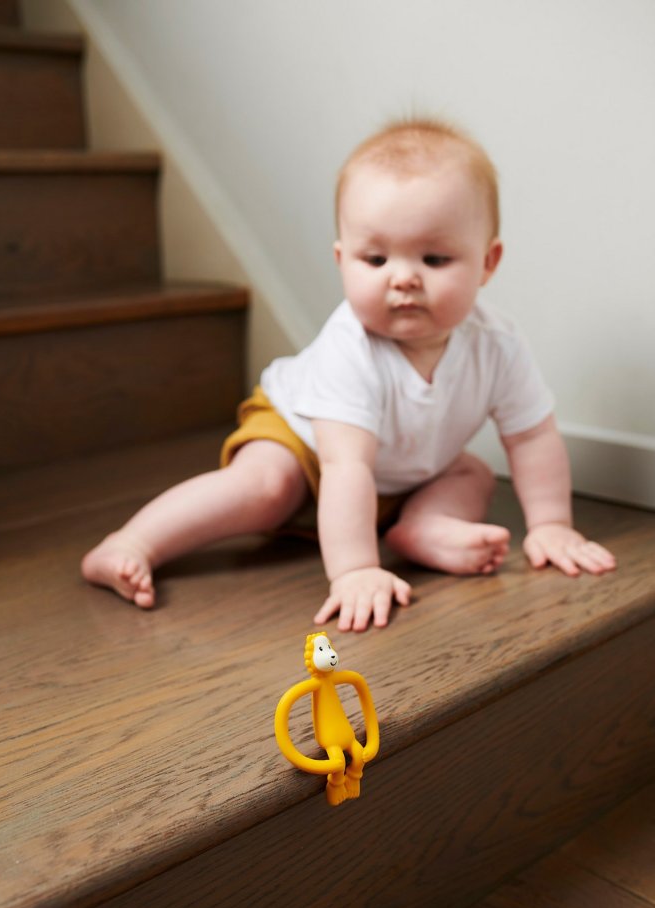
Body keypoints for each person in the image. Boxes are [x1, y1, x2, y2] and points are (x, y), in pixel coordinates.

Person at [82, 118, 616, 630]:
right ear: (342, 260)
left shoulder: (497, 344)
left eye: (433, 259)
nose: (403, 278)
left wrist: (551, 525)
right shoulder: (350, 349)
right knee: (266, 487)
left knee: (471, 474)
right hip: (305, 439)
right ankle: (132, 542)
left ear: (487, 262)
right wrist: (356, 570)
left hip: (390, 471)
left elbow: (531, 436)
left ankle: (423, 527)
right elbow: (344, 465)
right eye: (376, 259)